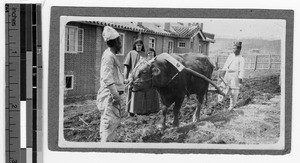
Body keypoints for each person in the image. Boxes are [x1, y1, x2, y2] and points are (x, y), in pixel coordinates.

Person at [96, 26, 125, 142]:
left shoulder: (111, 55)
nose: (121, 43)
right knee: (108, 125)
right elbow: (107, 78)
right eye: (119, 40)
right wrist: (116, 96)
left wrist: (124, 82)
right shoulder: (108, 56)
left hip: (111, 98)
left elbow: (114, 76)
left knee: (112, 125)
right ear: (115, 42)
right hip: (109, 98)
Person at [123, 40, 160, 116]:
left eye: (140, 45)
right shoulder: (131, 53)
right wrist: (125, 78)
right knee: (133, 94)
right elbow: (126, 66)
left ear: (142, 46)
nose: (139, 46)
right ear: (135, 46)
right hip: (133, 76)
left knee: (143, 94)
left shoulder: (144, 54)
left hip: (142, 78)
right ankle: (131, 112)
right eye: (137, 45)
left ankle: (143, 112)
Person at [218, 41, 245, 110]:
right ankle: (220, 101)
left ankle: (232, 106)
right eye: (233, 48)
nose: (233, 50)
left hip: (235, 75)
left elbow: (241, 71)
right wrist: (222, 74)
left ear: (239, 49)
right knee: (222, 87)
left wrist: (239, 81)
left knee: (233, 91)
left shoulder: (241, 59)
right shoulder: (230, 56)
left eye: (234, 49)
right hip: (228, 73)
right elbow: (225, 65)